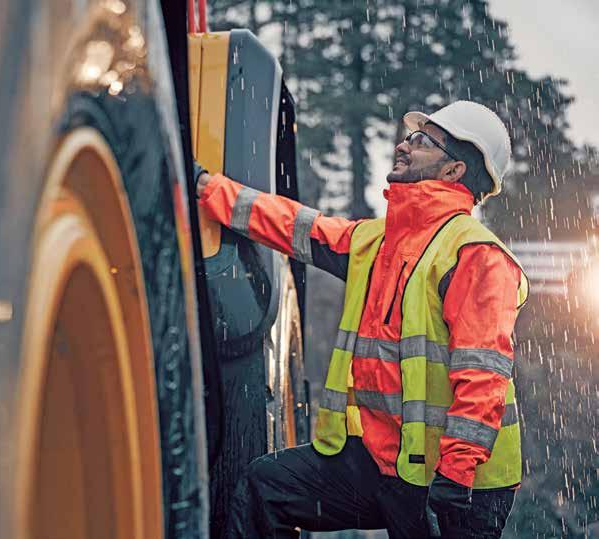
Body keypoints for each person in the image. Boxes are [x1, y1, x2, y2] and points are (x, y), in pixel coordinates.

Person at [194, 101, 528, 539]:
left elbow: (482, 374)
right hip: (387, 465)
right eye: (410, 137)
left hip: (459, 488)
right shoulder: (377, 241)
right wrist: (205, 188)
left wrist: (457, 473)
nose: (403, 146)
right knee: (267, 488)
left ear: (454, 172)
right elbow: (295, 225)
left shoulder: (475, 255)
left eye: (421, 141)